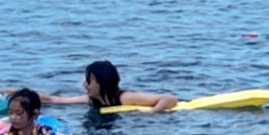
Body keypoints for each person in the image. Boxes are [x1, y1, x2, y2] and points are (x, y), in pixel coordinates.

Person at [39, 59, 177, 113]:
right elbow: (55, 100)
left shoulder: (125, 97)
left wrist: (152, 113)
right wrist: (22, 95)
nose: (84, 85)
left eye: (88, 81)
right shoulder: (92, 100)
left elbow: (169, 99)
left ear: (100, 82)